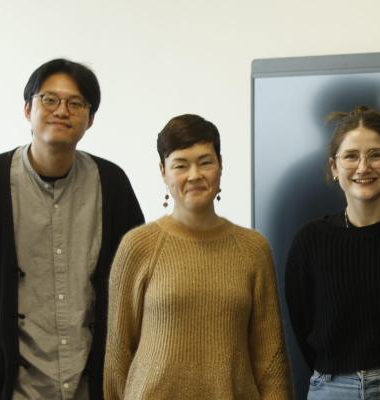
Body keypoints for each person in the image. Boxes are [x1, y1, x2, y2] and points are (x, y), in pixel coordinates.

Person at [0, 59, 144, 400]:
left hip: (92, 389)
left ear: (90, 119)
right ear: (27, 109)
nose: (62, 110)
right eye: (49, 99)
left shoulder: (112, 185)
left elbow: (137, 289)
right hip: (13, 391)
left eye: (76, 103)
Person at [103, 114, 291, 399]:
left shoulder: (253, 249)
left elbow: (271, 358)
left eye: (205, 162)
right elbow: (118, 353)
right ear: (163, 171)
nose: (194, 175)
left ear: (220, 165)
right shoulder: (138, 246)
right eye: (180, 165)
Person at [284, 106, 380, 399]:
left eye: (375, 155)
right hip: (331, 388)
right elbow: (300, 324)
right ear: (334, 168)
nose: (363, 167)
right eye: (350, 156)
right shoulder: (310, 240)